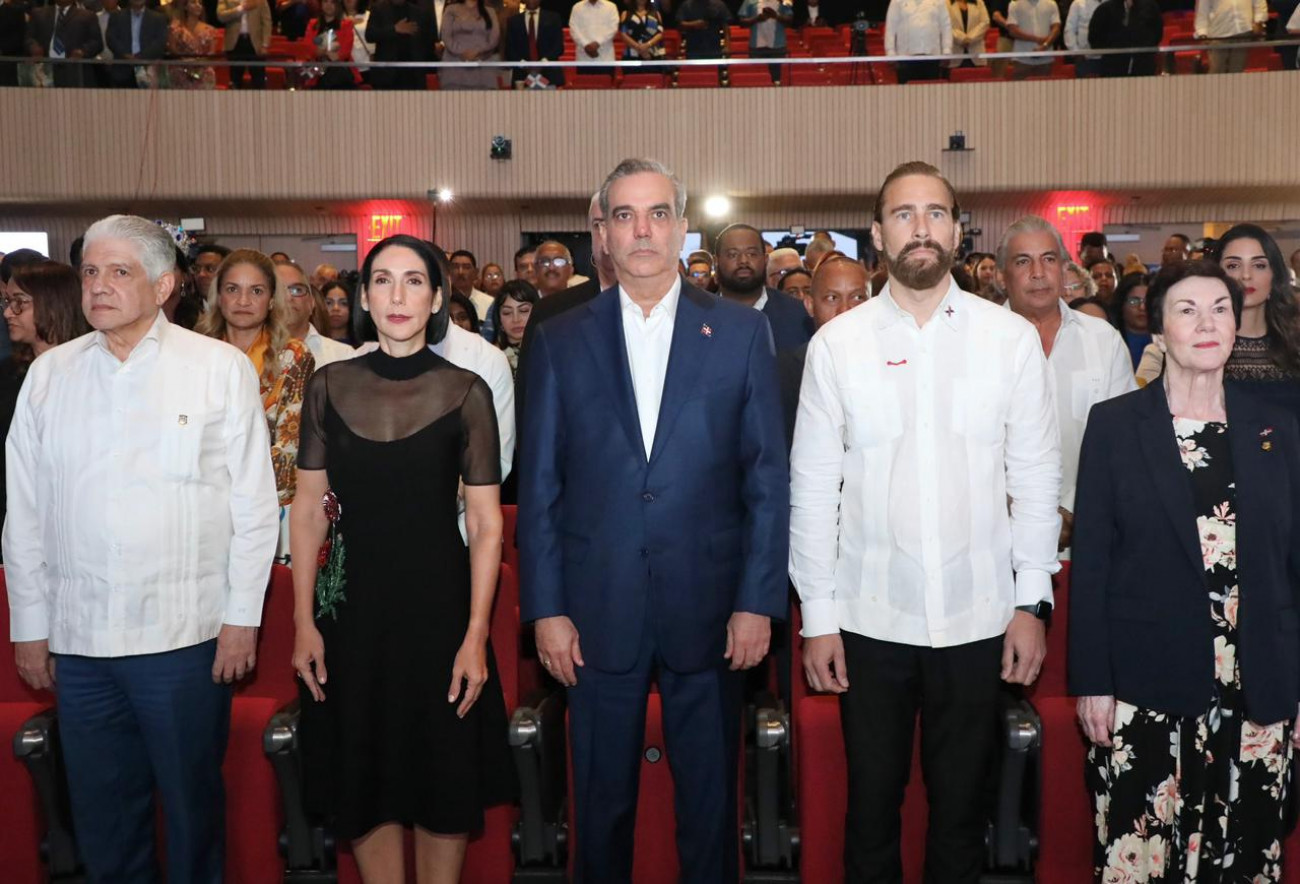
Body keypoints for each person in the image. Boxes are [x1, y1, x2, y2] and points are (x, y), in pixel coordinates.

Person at [518, 158, 788, 883]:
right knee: (600, 812)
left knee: (709, 810)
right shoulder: (559, 338)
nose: (642, 230)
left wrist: (757, 601)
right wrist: (546, 609)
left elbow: (767, 480)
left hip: (712, 607)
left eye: (658, 213)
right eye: (625, 215)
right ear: (603, 233)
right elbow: (539, 487)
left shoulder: (741, 333)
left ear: (682, 227)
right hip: (594, 609)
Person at [790, 162, 1061, 884]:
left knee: (962, 818)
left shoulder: (1009, 340)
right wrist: (818, 616)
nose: (921, 228)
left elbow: (1036, 481)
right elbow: (813, 490)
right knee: (871, 815)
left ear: (957, 230)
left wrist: (1032, 603)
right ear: (878, 234)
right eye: (904, 214)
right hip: (868, 619)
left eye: (936, 213)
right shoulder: (837, 346)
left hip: (980, 618)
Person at [3, 214, 279, 882]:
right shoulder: (51, 375)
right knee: (105, 820)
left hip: (184, 640)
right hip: (82, 643)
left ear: (162, 286)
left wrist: (242, 619)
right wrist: (30, 626)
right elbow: (25, 512)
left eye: (119, 272)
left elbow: (253, 505)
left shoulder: (217, 368)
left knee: (191, 812)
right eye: (90, 272)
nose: (99, 286)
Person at [290, 234, 513, 884]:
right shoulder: (328, 387)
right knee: (364, 781)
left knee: (441, 779)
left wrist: (476, 635)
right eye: (382, 280)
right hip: (350, 616)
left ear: (438, 298)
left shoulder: (467, 391)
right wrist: (303, 622)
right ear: (363, 296)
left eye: (414, 280)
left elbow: (486, 524)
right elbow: (307, 511)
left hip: (440, 615)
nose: (397, 295)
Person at [1070, 260, 1300, 881]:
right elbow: (1092, 564)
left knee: (1244, 853)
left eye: (1220, 309)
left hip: (1257, 682)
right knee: (1145, 855)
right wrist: (1093, 682)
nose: (1207, 324)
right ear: (1158, 328)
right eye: (1188, 310)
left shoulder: (1277, 426)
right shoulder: (1115, 425)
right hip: (1147, 682)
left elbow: (1293, 563)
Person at [998, 216, 1135, 557]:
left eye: (1048, 259)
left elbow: (1125, 442)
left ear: (1062, 269)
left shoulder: (1103, 340)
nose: (1038, 272)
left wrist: (1073, 512)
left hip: (1091, 534)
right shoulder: (976, 346)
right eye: (1023, 261)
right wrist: (1029, 511)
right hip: (998, 538)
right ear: (1002, 276)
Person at [195, 248, 315, 560]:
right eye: (233, 289)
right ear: (219, 297)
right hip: (200, 504)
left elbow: (288, 449)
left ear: (272, 299)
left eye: (256, 291)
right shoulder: (193, 352)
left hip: (268, 506)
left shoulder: (293, 356)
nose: (244, 300)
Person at [0, 260, 92, 535]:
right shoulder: (8, 374)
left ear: (53, 303)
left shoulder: (94, 370)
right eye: (7, 301)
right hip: (15, 512)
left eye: (20, 302)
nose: (8, 312)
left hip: (76, 515)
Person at [778, 255, 870, 448]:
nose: (845, 310)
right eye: (832, 298)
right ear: (810, 305)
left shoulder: (895, 364)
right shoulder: (782, 375)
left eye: (857, 297)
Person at [714, 223, 813, 352]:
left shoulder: (798, 315)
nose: (743, 261)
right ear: (716, 262)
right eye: (733, 255)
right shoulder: (700, 317)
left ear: (766, 260)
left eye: (752, 254)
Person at [275, 261, 355, 368]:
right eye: (278, 290)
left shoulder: (343, 356)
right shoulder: (252, 355)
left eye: (297, 290)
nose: (288, 297)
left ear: (312, 303)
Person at [26, 0, 104, 88]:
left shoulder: (88, 15)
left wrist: (82, 52)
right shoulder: (38, 13)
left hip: (76, 72)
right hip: (44, 72)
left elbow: (97, 42)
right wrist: (33, 47)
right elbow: (29, 38)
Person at [366, 0, 436, 90]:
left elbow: (427, 42)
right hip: (387, 74)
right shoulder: (378, 9)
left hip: (413, 75)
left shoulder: (419, 11)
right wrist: (394, 29)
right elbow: (370, 35)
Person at [1088, 0, 1162, 76]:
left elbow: (1157, 34)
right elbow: (1094, 38)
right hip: (1112, 68)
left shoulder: (1150, 8)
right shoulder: (1105, 9)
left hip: (1144, 67)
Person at [885, 0, 953, 82]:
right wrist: (890, 52)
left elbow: (946, 26)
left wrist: (947, 50)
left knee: (931, 89)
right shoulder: (897, 1)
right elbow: (891, 28)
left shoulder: (939, 1)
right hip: (906, 57)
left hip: (932, 56)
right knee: (907, 89)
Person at [106, 0, 168, 87]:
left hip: (149, 71)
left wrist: (139, 57)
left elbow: (160, 43)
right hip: (122, 69)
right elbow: (111, 39)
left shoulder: (158, 18)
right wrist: (125, 55)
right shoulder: (116, 16)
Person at [441, 0, 500, 89]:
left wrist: (478, 51)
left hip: (483, 64)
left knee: (485, 96)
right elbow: (446, 36)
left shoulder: (490, 11)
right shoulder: (451, 9)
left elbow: (494, 37)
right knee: (454, 96)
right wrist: (461, 52)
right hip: (455, 64)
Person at [506, 0, 566, 87]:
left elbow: (558, 47)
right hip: (523, 76)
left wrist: (542, 64)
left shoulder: (553, 18)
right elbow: (510, 49)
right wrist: (525, 66)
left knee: (549, 96)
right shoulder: (514, 21)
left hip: (549, 75)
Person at [1195, 0, 1266, 73]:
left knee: (1237, 70)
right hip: (1218, 34)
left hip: (1243, 30)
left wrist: (1259, 21)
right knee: (1217, 70)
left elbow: (1259, 2)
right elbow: (1202, 10)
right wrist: (1202, 33)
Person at [305, 0, 361, 88]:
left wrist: (329, 53)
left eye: (332, 2)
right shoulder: (312, 24)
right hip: (317, 72)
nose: (329, 5)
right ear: (321, 4)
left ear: (337, 5)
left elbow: (346, 50)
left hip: (340, 72)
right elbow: (308, 47)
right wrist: (324, 52)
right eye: (325, 2)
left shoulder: (346, 24)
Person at [218, 0, 272, 88]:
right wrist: (241, 8)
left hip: (255, 44)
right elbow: (221, 16)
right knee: (235, 80)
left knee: (258, 80)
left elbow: (267, 22)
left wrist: (265, 45)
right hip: (235, 43)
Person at [167, 0, 219, 88]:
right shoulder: (176, 28)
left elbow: (211, 53)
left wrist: (198, 64)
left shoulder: (210, 30)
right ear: (185, 6)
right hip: (181, 67)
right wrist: (185, 62)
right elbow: (172, 48)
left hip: (202, 69)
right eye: (193, 2)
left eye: (200, 3)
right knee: (176, 73)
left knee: (208, 73)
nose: (198, 5)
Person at [738, 0, 793, 82]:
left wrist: (776, 16)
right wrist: (757, 19)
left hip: (777, 46)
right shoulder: (749, 2)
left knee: (777, 77)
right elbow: (741, 22)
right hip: (756, 46)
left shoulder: (783, 2)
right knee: (757, 78)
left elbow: (790, 21)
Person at [492, 279, 538, 378]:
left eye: (523, 310)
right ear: (499, 319)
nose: (516, 319)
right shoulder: (491, 356)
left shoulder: (549, 351)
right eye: (507, 313)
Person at [1005, 0, 1059, 79]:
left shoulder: (1051, 4)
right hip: (1022, 58)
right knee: (1020, 86)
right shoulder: (1015, 4)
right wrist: (1036, 39)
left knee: (1043, 87)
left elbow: (1056, 28)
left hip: (1045, 58)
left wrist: (1045, 45)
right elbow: (1012, 31)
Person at [569, 0, 619, 71]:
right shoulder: (577, 7)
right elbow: (573, 29)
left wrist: (598, 43)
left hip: (606, 58)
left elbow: (613, 28)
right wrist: (585, 45)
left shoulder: (611, 7)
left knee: (606, 78)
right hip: (583, 58)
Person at [1115, 271, 1152, 367]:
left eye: (1148, 300)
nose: (1142, 307)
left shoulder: (1167, 339)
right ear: (1122, 304)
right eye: (1134, 301)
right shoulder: (1112, 339)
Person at [449, 249, 493, 320]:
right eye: (455, 267)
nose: (460, 272)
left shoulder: (489, 303)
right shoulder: (440, 302)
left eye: (466, 267)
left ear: (475, 273)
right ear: (448, 271)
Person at [1062, 0, 1102, 75]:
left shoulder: (1111, 3)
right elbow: (1069, 30)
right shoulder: (1078, 4)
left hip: (1107, 56)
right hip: (1085, 58)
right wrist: (1076, 52)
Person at [948, 0, 990, 66]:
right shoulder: (946, 3)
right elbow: (945, 26)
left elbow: (985, 22)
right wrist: (962, 39)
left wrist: (970, 38)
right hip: (954, 51)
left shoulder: (979, 2)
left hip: (976, 51)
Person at [321, 278, 357, 344]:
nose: (336, 308)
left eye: (343, 303)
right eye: (329, 303)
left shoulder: (364, 347)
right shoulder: (309, 344)